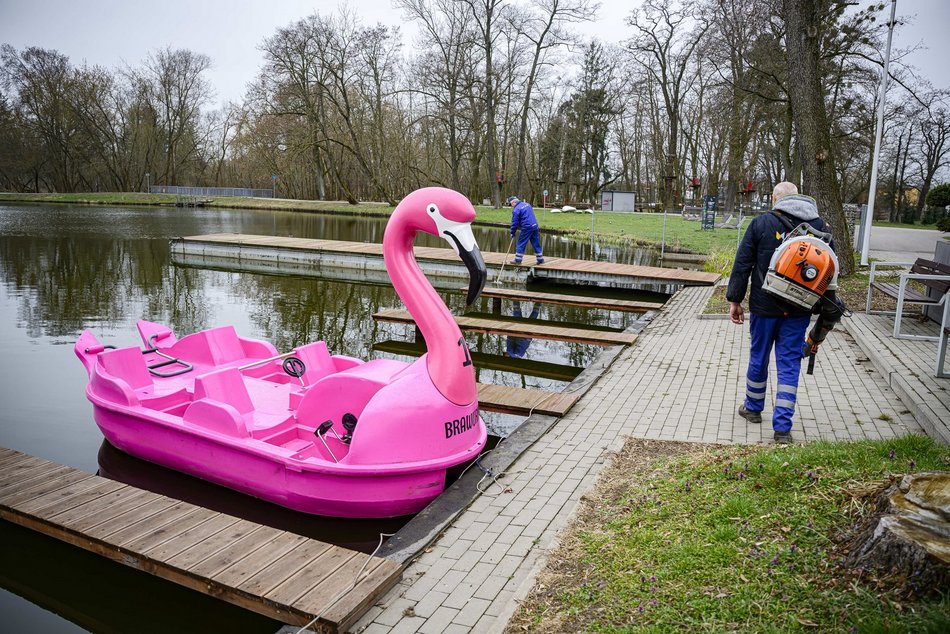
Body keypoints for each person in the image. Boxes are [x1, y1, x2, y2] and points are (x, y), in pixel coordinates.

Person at [726, 181, 834, 444]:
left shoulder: (762, 223)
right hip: (799, 310)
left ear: (775, 199)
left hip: (764, 306)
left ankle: (752, 409)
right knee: (788, 365)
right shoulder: (821, 228)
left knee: (759, 357)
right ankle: (783, 428)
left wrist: (735, 300)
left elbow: (743, 263)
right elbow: (830, 272)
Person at [507, 196, 544, 265]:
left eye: (510, 204)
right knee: (535, 242)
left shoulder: (516, 210)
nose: (511, 206)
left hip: (527, 227)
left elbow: (514, 223)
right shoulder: (527, 204)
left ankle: (518, 260)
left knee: (521, 243)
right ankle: (540, 259)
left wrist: (512, 232)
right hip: (534, 226)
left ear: (514, 202)